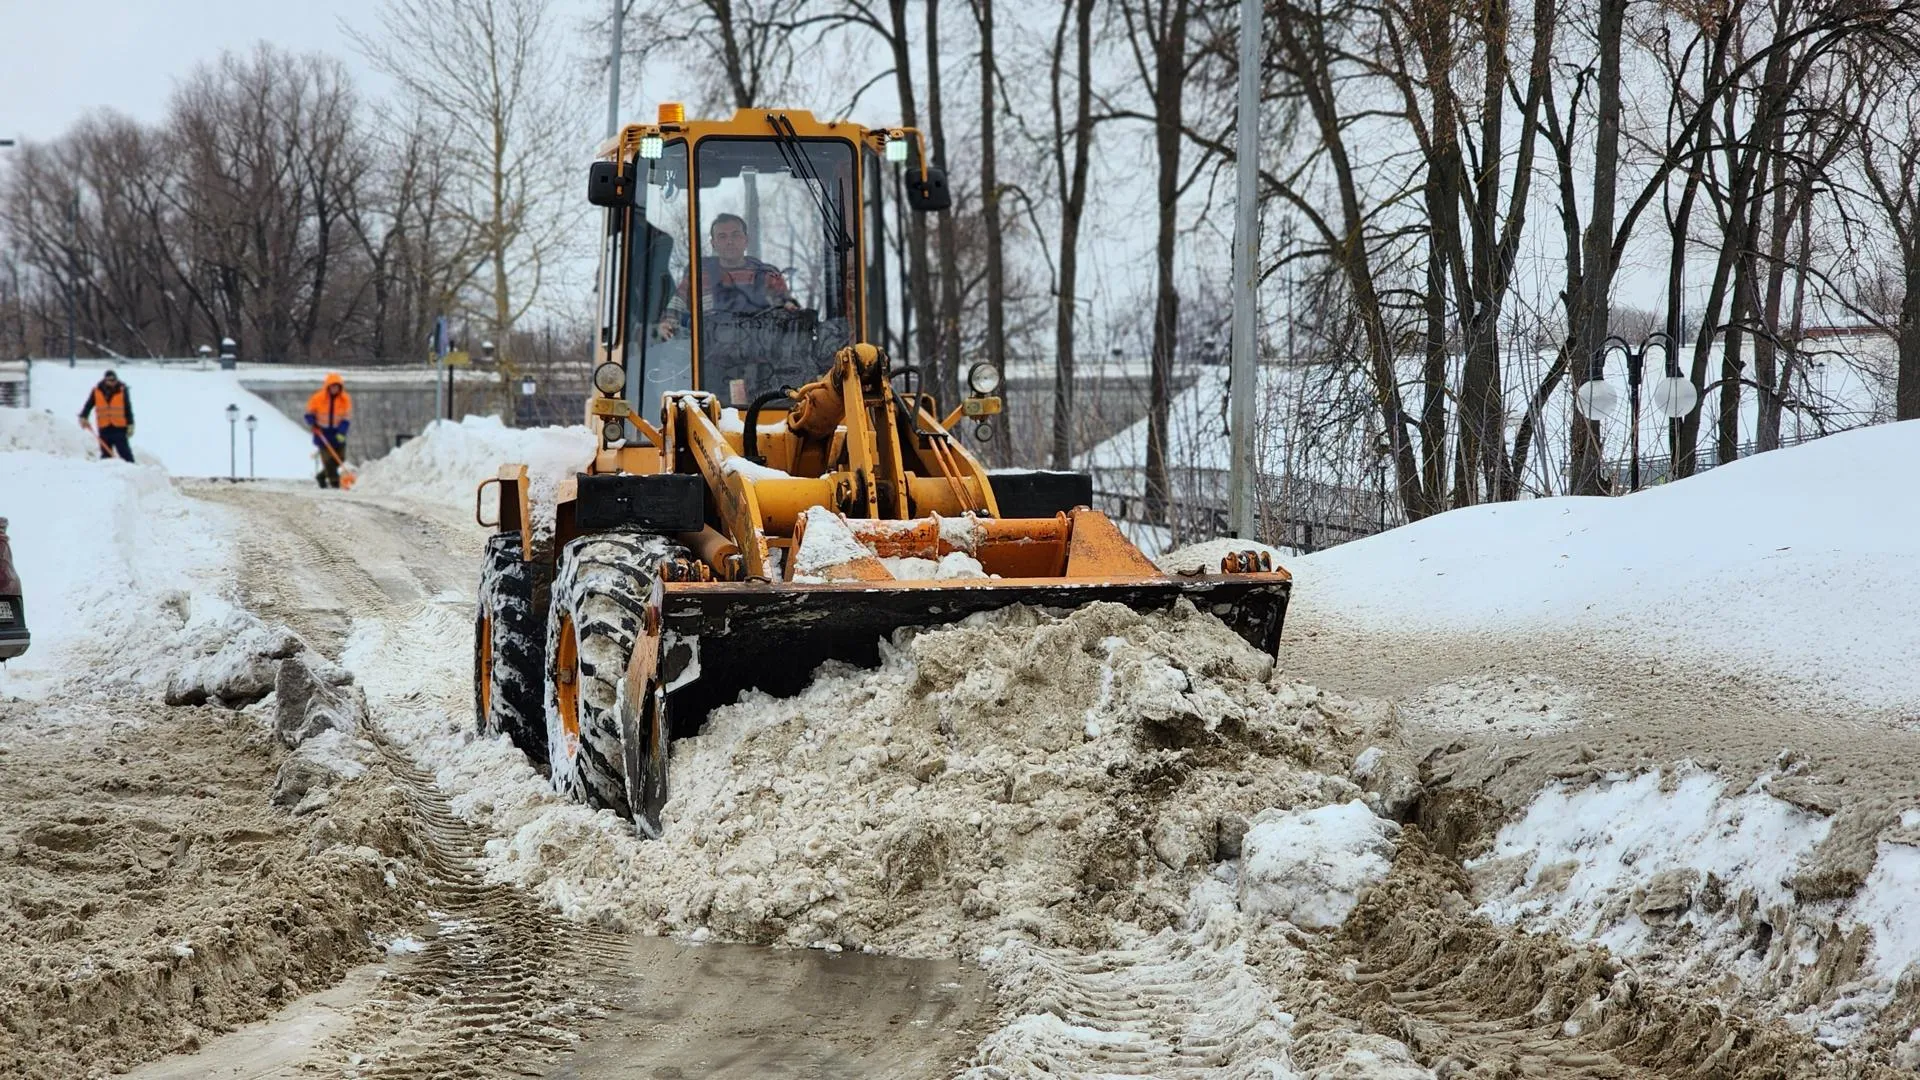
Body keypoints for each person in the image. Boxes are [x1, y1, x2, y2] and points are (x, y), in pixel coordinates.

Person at [656, 213, 797, 340]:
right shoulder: (698, 276)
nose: (730, 241)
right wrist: (667, 323)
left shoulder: (767, 276)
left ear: (745, 240)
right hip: (707, 360)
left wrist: (789, 307)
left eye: (735, 235)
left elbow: (786, 305)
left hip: (760, 358)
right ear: (713, 244)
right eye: (722, 236)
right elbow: (676, 306)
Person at [304, 372, 353, 489]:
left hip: (338, 433)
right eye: (332, 386)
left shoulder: (345, 400)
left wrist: (341, 432)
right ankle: (334, 482)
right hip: (322, 433)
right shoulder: (317, 398)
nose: (334, 389)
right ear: (328, 386)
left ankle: (321, 476)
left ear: (340, 387)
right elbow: (308, 414)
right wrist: (314, 424)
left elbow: (346, 418)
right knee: (328, 460)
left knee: (340, 458)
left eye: (337, 387)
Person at [78, 369, 135, 463]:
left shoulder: (122, 390)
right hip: (104, 427)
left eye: (114, 380)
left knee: (125, 453)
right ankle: (107, 474)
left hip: (119, 427)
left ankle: (133, 470)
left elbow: (128, 408)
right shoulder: (97, 391)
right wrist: (84, 416)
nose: (112, 382)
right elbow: (89, 405)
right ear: (105, 380)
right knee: (106, 454)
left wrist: (131, 424)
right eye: (110, 380)